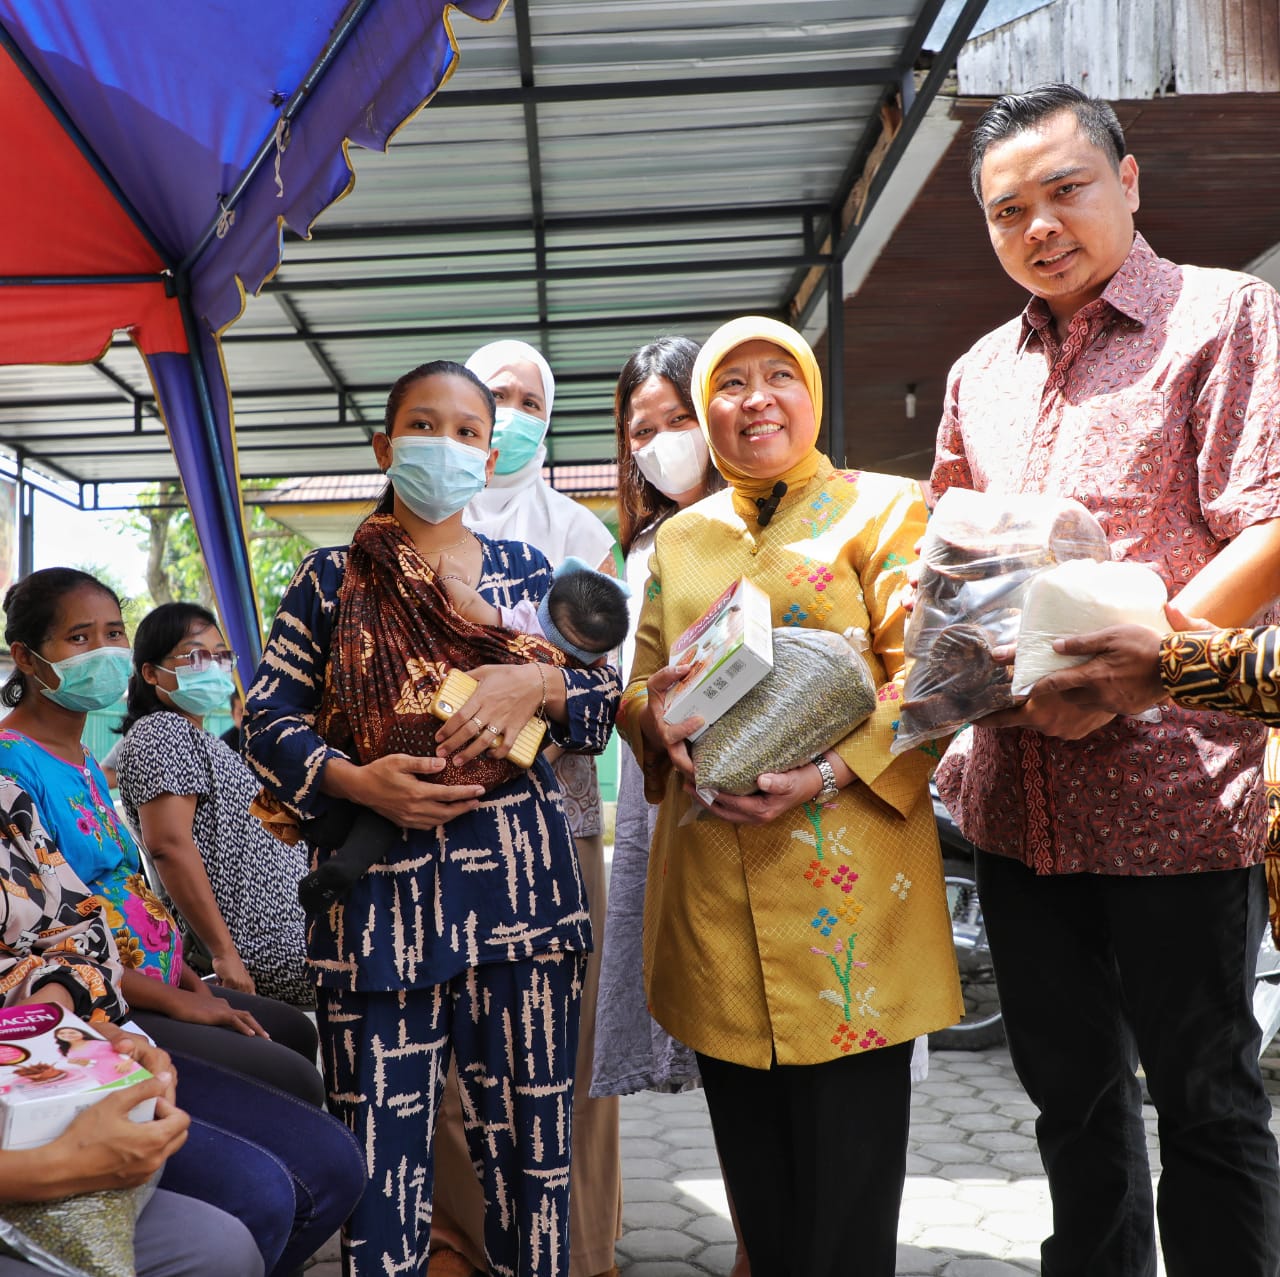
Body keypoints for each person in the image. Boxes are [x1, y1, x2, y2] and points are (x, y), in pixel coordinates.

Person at [931, 83, 1280, 1277]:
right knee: (1070, 1106)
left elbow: (1267, 519)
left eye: (1064, 191)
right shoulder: (981, 368)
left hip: (1174, 798)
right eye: (1006, 210)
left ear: (1126, 181)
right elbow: (946, 545)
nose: (1038, 226)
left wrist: (1150, 658)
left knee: (1207, 1104)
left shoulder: (1222, 317)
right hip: (1017, 804)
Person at [243, 358, 620, 1277]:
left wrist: (539, 678)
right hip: (379, 915)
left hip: (524, 905)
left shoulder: (539, 576)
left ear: (490, 458)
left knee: (535, 1155)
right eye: (423, 424)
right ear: (383, 445)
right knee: (381, 1163)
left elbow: (602, 705)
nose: (444, 445)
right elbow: (264, 719)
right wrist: (359, 782)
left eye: (464, 431)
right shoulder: (331, 578)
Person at [617, 315, 962, 1277]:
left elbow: (934, 675)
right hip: (717, 906)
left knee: (848, 1219)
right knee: (762, 1209)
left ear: (812, 395)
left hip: (850, 910)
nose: (753, 398)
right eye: (730, 383)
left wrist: (824, 771)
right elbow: (639, 689)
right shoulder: (680, 540)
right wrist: (665, 725)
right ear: (704, 409)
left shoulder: (885, 511)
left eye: (778, 375)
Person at [0, 772, 365, 1277]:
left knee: (333, 1160)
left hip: (74, 1028)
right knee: (254, 1202)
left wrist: (62, 1011)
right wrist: (49, 1169)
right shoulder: (43, 754)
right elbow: (168, 848)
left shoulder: (7, 796)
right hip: (58, 1054)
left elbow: (82, 933)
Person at [429, 339, 622, 1277]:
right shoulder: (417, 533)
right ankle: (461, 1241)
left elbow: (604, 694)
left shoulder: (579, 536)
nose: (507, 416)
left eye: (525, 399)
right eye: (487, 398)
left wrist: (528, 686)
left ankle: (581, 1252)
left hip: (557, 830)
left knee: (568, 1057)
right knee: (453, 1059)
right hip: (436, 830)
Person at [0, 569, 324, 1106]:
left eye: (113, 633)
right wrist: (181, 998)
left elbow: (129, 884)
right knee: (292, 1076)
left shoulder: (82, 759)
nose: (103, 651)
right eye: (79, 638)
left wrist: (184, 979)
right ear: (29, 658)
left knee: (296, 1033)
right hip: (96, 995)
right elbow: (44, 934)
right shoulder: (12, 765)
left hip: (158, 976)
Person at [593, 337, 713, 1099]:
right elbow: (624, 683)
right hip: (675, 800)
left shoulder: (769, 517)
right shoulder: (638, 552)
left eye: (680, 417)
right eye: (643, 430)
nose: (664, 443)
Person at [114, 602, 311, 1005]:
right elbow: (168, 846)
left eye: (221, 655)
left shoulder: (212, 745)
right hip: (250, 951)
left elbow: (280, 835)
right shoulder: (162, 731)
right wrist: (224, 954)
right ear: (151, 673)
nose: (216, 665)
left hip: (290, 940)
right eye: (197, 654)